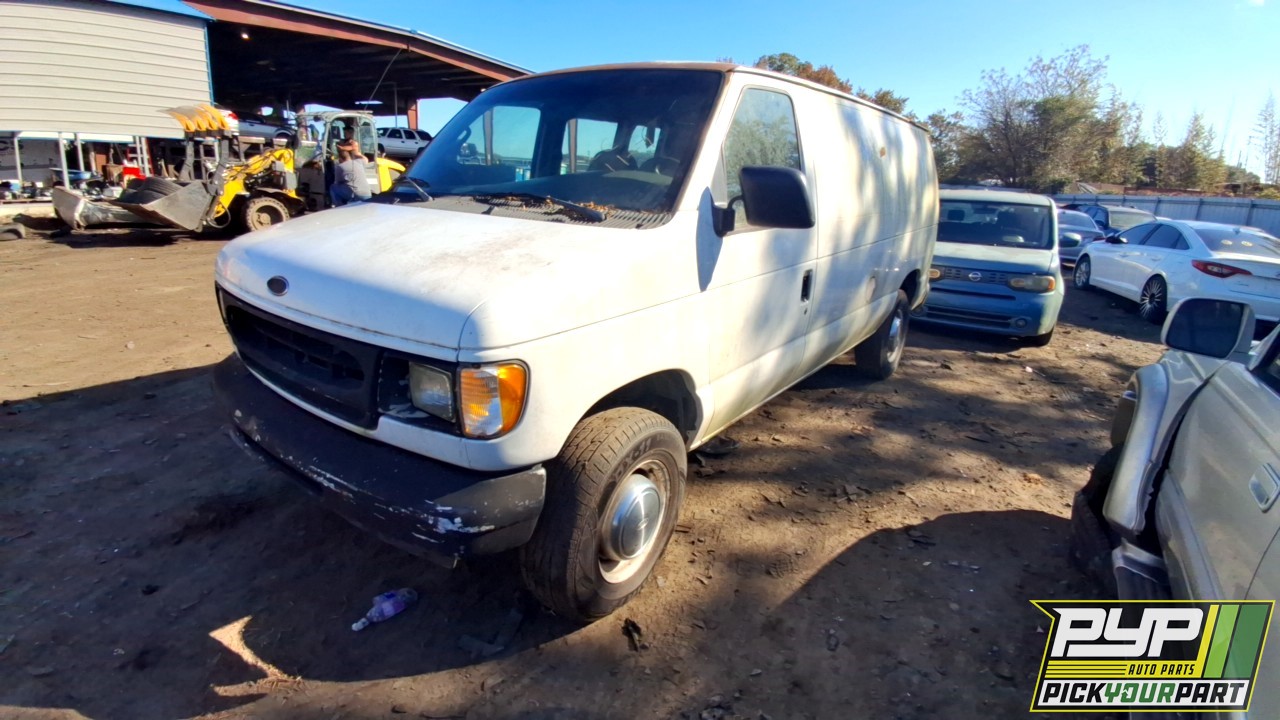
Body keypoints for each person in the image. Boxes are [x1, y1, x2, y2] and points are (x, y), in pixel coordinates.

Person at [330, 139, 372, 206]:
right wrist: (355, 150)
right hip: (368, 194)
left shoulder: (340, 167)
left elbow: (337, 182)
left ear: (340, 158)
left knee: (333, 187)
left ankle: (339, 207)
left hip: (356, 195)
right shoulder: (359, 162)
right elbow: (366, 159)